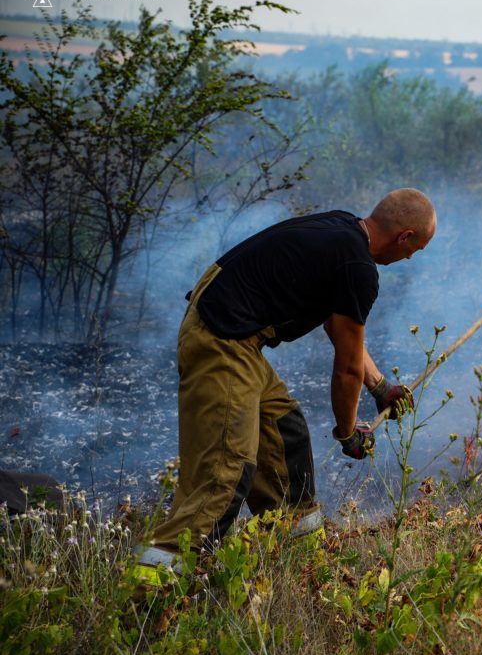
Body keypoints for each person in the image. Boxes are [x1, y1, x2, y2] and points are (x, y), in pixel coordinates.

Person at [132, 188, 436, 575]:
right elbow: (346, 370)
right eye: (416, 249)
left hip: (233, 332)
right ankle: (149, 594)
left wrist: (380, 388)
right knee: (226, 470)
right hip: (222, 337)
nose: (410, 257)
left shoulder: (344, 229)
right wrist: (348, 435)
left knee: (284, 434)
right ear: (404, 237)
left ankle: (299, 567)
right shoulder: (357, 266)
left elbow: (337, 325)